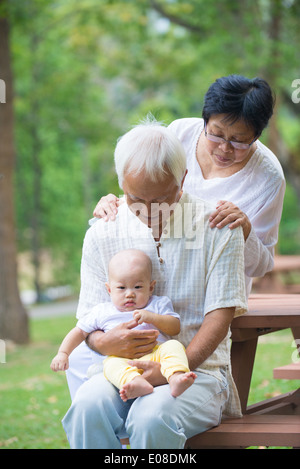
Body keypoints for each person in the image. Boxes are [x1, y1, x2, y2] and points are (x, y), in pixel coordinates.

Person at [62, 118, 247, 449]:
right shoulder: (102, 233)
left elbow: (220, 317)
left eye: (162, 198)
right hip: (118, 373)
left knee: (151, 415)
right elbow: (88, 322)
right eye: (135, 199)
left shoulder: (219, 227)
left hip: (197, 375)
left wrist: (169, 371)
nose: (149, 212)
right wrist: (104, 343)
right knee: (86, 408)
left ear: (183, 179)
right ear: (120, 183)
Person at [93, 75, 286, 298]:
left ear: (257, 135)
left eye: (239, 140)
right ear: (205, 120)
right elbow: (149, 189)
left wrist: (245, 231)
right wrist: (118, 201)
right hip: (155, 282)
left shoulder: (268, 178)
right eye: (216, 134)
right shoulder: (180, 134)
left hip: (217, 292)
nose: (224, 148)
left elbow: (262, 266)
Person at [51, 248, 196, 401]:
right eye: (121, 288)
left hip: (157, 356)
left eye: (138, 287)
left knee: (173, 346)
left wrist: (152, 318)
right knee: (110, 364)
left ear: (151, 287)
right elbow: (79, 332)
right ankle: (135, 383)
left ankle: (176, 377)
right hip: (123, 360)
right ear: (109, 289)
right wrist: (63, 353)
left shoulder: (157, 304)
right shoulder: (102, 311)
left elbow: (175, 327)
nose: (129, 294)